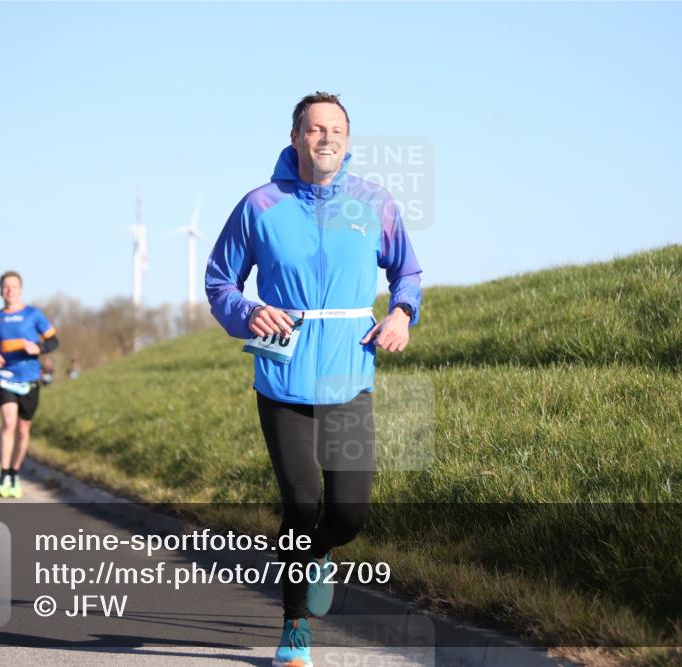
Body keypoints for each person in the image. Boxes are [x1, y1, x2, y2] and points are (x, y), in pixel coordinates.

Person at [205, 92, 422, 667]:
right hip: (283, 380)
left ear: (347, 140)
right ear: (296, 137)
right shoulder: (260, 205)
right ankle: (295, 625)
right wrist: (248, 311)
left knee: (348, 514)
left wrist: (402, 313)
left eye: (337, 130)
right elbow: (220, 281)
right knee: (301, 505)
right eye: (315, 128)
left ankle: (316, 553)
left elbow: (407, 271)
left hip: (350, 376)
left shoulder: (374, 203)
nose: (327, 138)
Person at [0, 271, 59, 499]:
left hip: (29, 378)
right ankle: (3, 474)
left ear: (21, 290)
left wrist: (39, 348)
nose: (10, 290)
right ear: (0, 291)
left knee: (23, 428)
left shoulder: (33, 314)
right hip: (5, 376)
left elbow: (54, 341)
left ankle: (15, 473)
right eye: (6, 287)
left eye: (14, 286)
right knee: (8, 423)